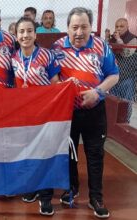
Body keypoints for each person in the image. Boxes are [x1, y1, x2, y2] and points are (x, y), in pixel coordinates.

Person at [51, 7, 119, 219]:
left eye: (84, 27)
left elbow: (114, 75)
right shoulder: (57, 48)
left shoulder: (101, 46)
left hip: (95, 111)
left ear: (91, 27)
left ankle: (96, 197)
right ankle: (72, 188)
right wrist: (62, 88)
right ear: (67, 28)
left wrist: (97, 91)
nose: (79, 32)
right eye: (74, 27)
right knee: (69, 152)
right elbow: (52, 76)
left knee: (95, 154)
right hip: (67, 112)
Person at [11, 17, 61, 216]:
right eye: (21, 32)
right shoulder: (13, 58)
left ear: (35, 34)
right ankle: (32, 188)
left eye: (29, 31)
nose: (25, 35)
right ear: (16, 35)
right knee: (28, 152)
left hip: (44, 114)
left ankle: (46, 196)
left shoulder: (47, 56)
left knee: (45, 153)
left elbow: (56, 83)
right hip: (23, 116)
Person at [109, 18, 137, 123]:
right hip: (114, 76)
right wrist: (109, 39)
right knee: (113, 101)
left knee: (126, 102)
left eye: (122, 26)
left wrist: (119, 41)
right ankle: (112, 122)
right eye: (117, 26)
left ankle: (125, 123)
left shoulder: (133, 39)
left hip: (127, 77)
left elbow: (126, 53)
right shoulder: (112, 39)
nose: (119, 29)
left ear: (127, 27)